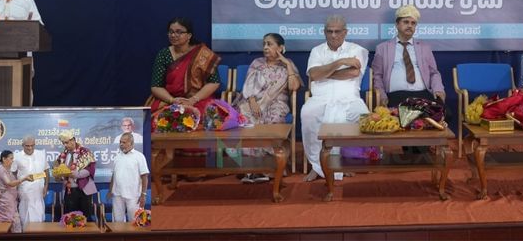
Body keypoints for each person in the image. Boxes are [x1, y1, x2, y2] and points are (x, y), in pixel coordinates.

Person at [301, 15, 369, 182]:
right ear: (324, 32)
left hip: (349, 98)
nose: (333, 35)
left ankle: (347, 162)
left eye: (337, 31)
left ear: (345, 32)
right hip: (320, 98)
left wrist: (325, 73)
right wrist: (340, 62)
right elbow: (314, 75)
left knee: (362, 115)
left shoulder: (357, 49)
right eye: (329, 31)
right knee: (307, 114)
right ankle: (316, 166)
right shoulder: (317, 51)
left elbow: (353, 73)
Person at [231, 33, 303, 184]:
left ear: (280, 48)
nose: (265, 47)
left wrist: (287, 64)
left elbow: (294, 87)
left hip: (277, 103)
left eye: (270, 44)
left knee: (273, 119)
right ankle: (250, 168)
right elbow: (248, 86)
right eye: (264, 44)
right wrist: (252, 102)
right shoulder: (257, 63)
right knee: (245, 119)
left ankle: (269, 167)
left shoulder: (288, 64)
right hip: (253, 101)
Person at [147, 17, 221, 131]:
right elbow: (156, 86)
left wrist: (193, 100)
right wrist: (173, 100)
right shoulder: (164, 54)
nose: (173, 35)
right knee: (161, 122)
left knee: (204, 121)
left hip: (197, 99)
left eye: (179, 32)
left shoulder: (203, 54)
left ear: (189, 35)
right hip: (170, 100)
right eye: (171, 32)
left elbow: (214, 82)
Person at [372, 5, 446, 108]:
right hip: (396, 95)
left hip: (422, 94)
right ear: (397, 24)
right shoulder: (383, 48)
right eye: (406, 22)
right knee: (402, 115)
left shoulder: (425, 47)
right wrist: (382, 96)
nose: (410, 26)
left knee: (445, 113)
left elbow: (434, 73)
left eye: (413, 23)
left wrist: (438, 89)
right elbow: (377, 76)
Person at [54, 129, 97, 220]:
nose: (65, 145)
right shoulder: (63, 155)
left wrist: (75, 174)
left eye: (66, 142)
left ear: (73, 140)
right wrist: (58, 174)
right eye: (63, 143)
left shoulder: (85, 152)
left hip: (84, 190)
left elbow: (90, 169)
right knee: (70, 218)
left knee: (86, 218)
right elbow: (58, 168)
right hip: (69, 190)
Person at [108, 133, 149, 222]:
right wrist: (110, 191)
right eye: (120, 142)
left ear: (131, 143)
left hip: (134, 196)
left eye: (124, 142)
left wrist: (143, 195)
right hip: (117, 195)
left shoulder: (139, 156)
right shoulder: (117, 157)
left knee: (134, 221)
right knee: (117, 222)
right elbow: (114, 175)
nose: (121, 144)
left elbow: (144, 176)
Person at [11, 135, 49, 227]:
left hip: (39, 190)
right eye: (27, 146)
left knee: (39, 212)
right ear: (22, 145)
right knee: (26, 213)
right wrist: (15, 189)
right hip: (24, 190)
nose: (30, 148)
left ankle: (38, 232)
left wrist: (46, 186)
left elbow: (46, 171)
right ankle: (26, 233)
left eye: (32, 145)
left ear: (35, 145)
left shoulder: (41, 154)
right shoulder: (17, 156)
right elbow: (13, 173)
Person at [0, 150, 33, 233]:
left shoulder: (8, 170)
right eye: (11, 158)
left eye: (13, 159)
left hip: (11, 201)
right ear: (4, 159)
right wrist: (24, 179)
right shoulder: (0, 169)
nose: (12, 161)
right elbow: (9, 183)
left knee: (14, 223)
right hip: (4, 202)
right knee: (6, 224)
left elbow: (13, 182)